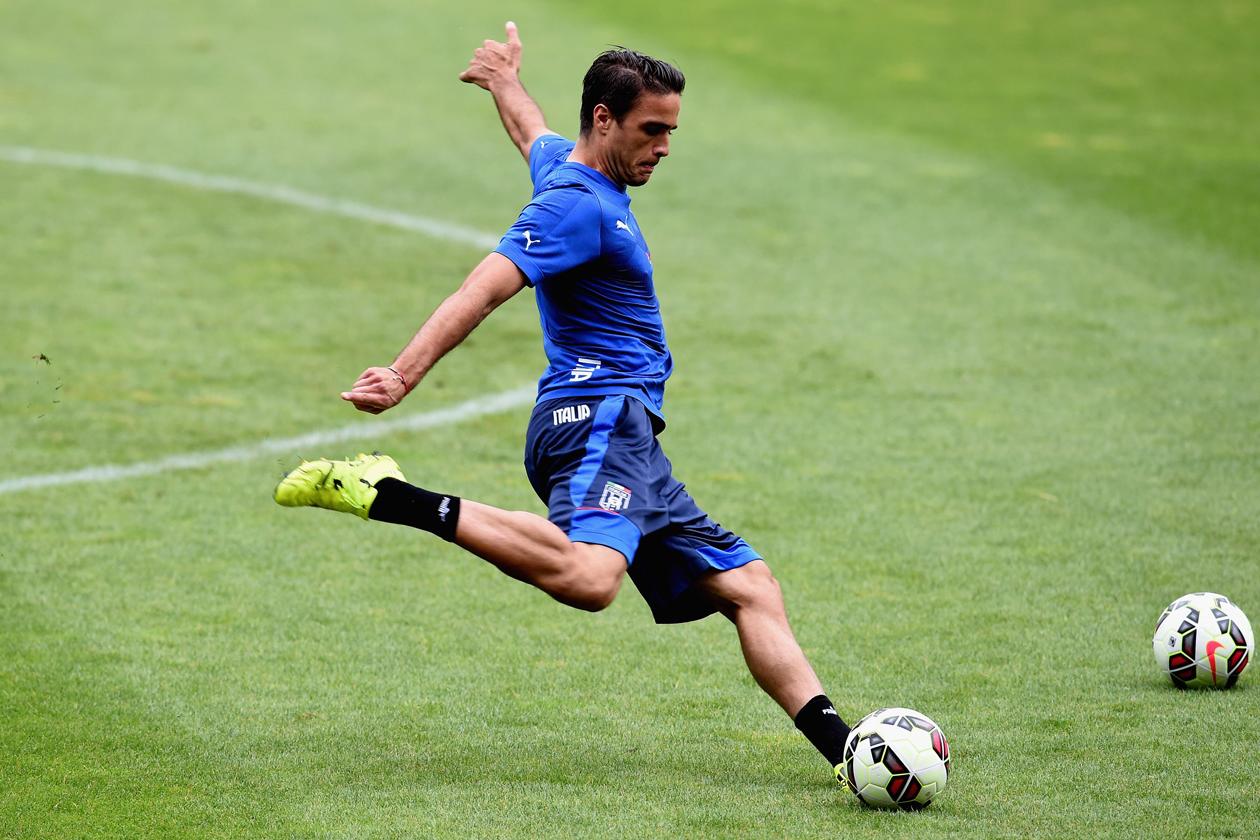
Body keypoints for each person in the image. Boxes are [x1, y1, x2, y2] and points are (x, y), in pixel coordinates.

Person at [275, 22, 852, 784]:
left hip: (631, 437)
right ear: (606, 120)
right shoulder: (573, 207)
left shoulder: (573, 172)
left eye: (672, 131)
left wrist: (504, 80)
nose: (666, 147)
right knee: (589, 579)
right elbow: (483, 288)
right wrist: (403, 374)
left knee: (751, 588)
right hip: (595, 419)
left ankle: (849, 753)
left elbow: (534, 133)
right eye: (653, 129)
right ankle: (387, 494)